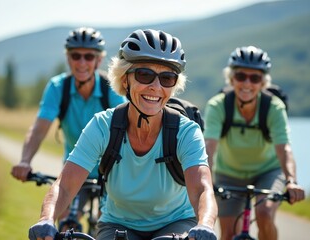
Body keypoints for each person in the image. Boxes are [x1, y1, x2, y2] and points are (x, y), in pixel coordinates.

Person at [28, 29, 217, 240]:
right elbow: (65, 185)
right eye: (144, 75)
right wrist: (46, 218)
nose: (155, 87)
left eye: (167, 78)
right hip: (118, 224)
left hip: (175, 222)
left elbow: (202, 188)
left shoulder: (186, 131)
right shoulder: (102, 126)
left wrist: (205, 224)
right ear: (125, 79)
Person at [10, 27, 126, 227]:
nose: (82, 63)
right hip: (74, 170)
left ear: (99, 60)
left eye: (89, 56)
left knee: (108, 224)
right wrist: (25, 161)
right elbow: (39, 128)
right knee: (65, 223)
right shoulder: (58, 87)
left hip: (112, 173)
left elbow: (127, 128)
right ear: (68, 58)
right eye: (76, 56)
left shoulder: (111, 89)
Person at [203, 46, 305, 240]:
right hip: (228, 173)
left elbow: (284, 148)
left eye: (255, 78)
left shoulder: (274, 107)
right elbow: (209, 146)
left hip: (268, 171)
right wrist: (205, 181)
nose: (247, 83)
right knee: (228, 231)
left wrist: (291, 181)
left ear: (263, 83)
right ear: (231, 79)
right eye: (241, 76)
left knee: (265, 214)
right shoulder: (218, 105)